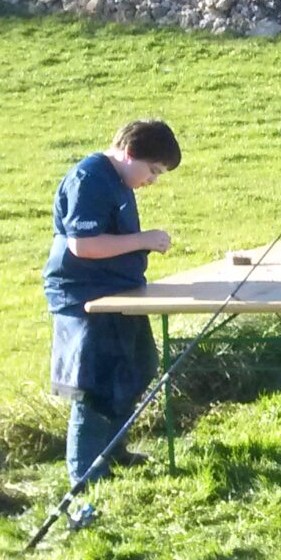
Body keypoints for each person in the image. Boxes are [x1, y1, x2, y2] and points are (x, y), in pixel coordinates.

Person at [42, 120, 180, 490]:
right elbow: (83, 246)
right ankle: (84, 476)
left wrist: (142, 244)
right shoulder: (89, 179)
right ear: (129, 153)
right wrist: (143, 239)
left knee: (140, 365)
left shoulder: (120, 180)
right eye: (152, 171)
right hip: (83, 296)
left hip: (118, 291)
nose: (152, 181)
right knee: (95, 385)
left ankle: (113, 450)